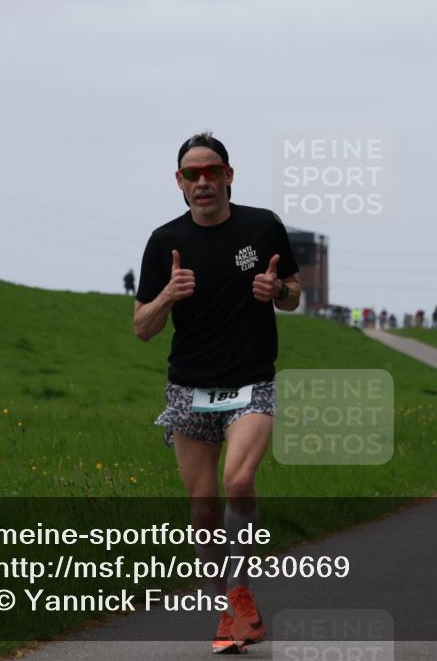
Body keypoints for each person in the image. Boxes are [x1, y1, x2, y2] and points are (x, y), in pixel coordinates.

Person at [133, 133, 300, 654]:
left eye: (211, 172)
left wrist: (279, 292)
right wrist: (168, 293)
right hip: (189, 386)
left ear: (229, 175)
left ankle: (242, 590)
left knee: (239, 477)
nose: (202, 182)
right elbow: (141, 327)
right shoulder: (164, 242)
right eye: (191, 175)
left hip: (252, 380)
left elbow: (294, 296)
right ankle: (223, 605)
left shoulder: (262, 225)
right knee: (203, 506)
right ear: (179, 183)